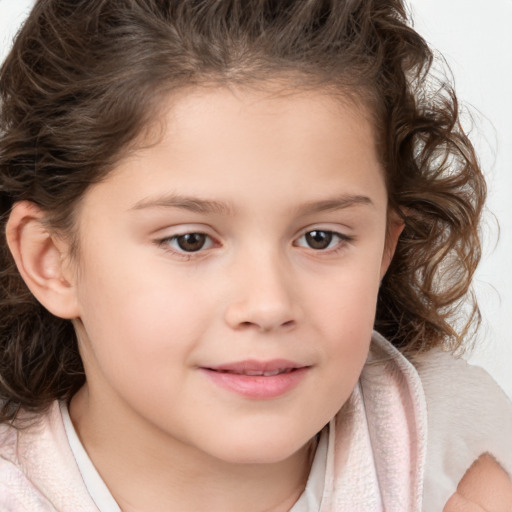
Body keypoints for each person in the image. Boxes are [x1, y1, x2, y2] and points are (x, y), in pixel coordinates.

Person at [0, 0, 511, 510]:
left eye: (320, 238)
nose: (268, 305)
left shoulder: (452, 448)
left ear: (382, 249)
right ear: (53, 261)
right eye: (190, 240)